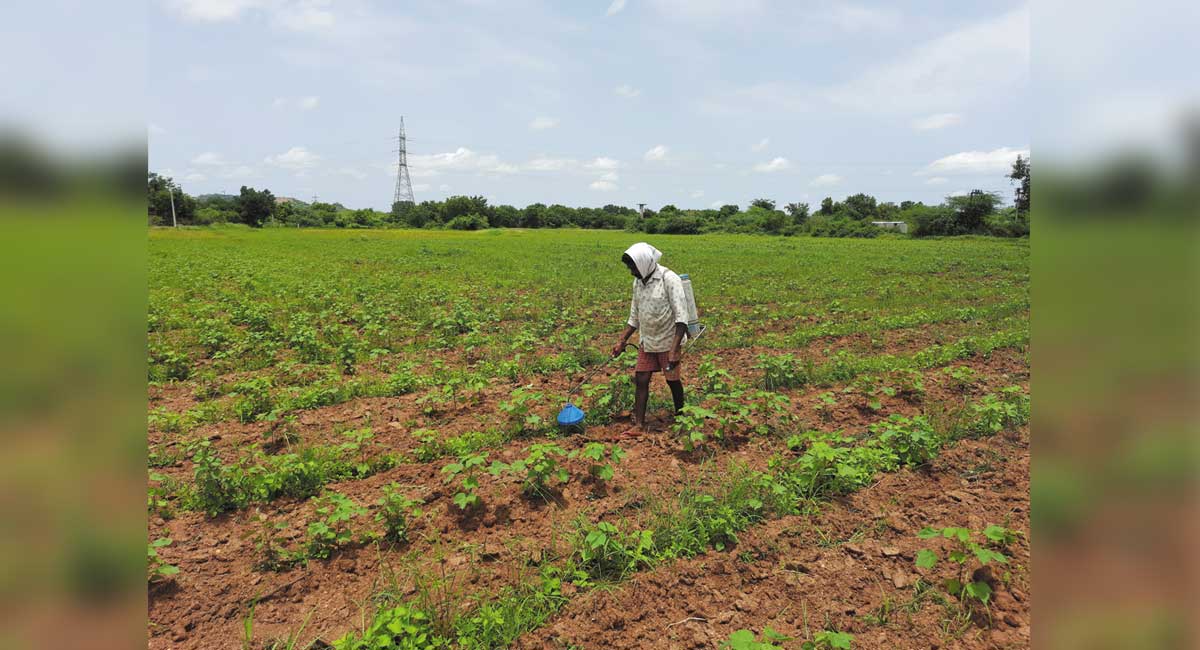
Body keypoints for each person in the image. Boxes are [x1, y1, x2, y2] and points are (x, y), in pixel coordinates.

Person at [611, 242, 688, 438]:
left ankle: (682, 419)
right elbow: (634, 316)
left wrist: (674, 349)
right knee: (641, 379)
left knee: (672, 381)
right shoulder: (638, 282)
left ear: (644, 263)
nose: (631, 272)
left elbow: (682, 317)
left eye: (633, 267)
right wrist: (622, 340)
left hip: (669, 340)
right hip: (648, 340)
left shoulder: (669, 279)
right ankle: (639, 424)